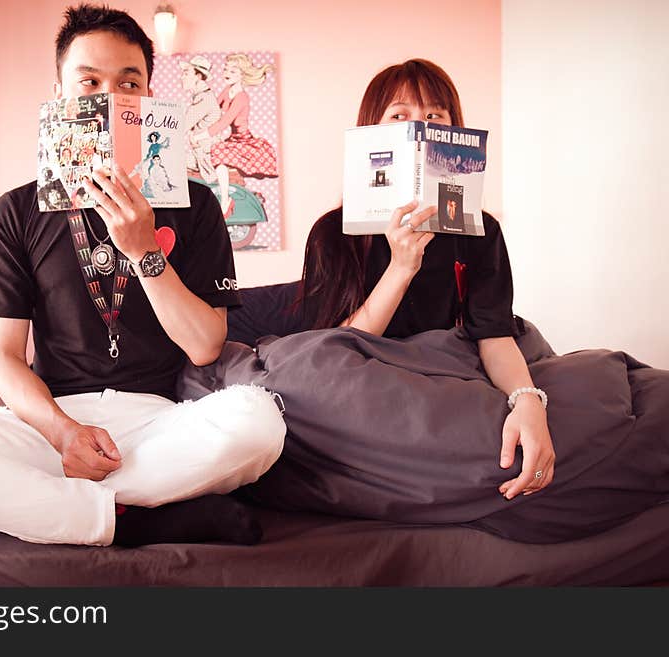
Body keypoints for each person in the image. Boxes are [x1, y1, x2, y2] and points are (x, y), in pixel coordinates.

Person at [0, 3, 285, 547]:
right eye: (89, 82)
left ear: (147, 98)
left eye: (129, 82)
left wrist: (144, 251)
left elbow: (204, 347)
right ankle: (130, 517)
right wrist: (63, 433)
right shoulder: (15, 212)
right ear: (59, 97)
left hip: (159, 422)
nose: (109, 97)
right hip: (47, 422)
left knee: (259, 423)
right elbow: (2, 356)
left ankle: (9, 503)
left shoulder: (195, 205)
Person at [230, 58, 554, 503]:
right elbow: (334, 352)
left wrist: (528, 400)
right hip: (369, 376)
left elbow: (494, 335)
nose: (418, 127)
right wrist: (401, 267)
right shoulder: (334, 231)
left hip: (448, 369)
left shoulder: (479, 230)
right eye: (399, 115)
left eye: (434, 116)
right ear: (371, 132)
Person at [191, 53, 278, 218]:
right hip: (232, 139)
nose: (227, 73)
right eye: (226, 69)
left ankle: (225, 200)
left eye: (233, 71)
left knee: (220, 158)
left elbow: (225, 121)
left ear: (242, 75)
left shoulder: (241, 97)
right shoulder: (227, 90)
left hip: (244, 140)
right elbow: (214, 110)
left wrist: (199, 136)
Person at [179, 55, 221, 182]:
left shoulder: (204, 99)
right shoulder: (202, 96)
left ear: (198, 76)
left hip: (204, 158)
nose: (182, 77)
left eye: (186, 73)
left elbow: (181, 127)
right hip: (200, 153)